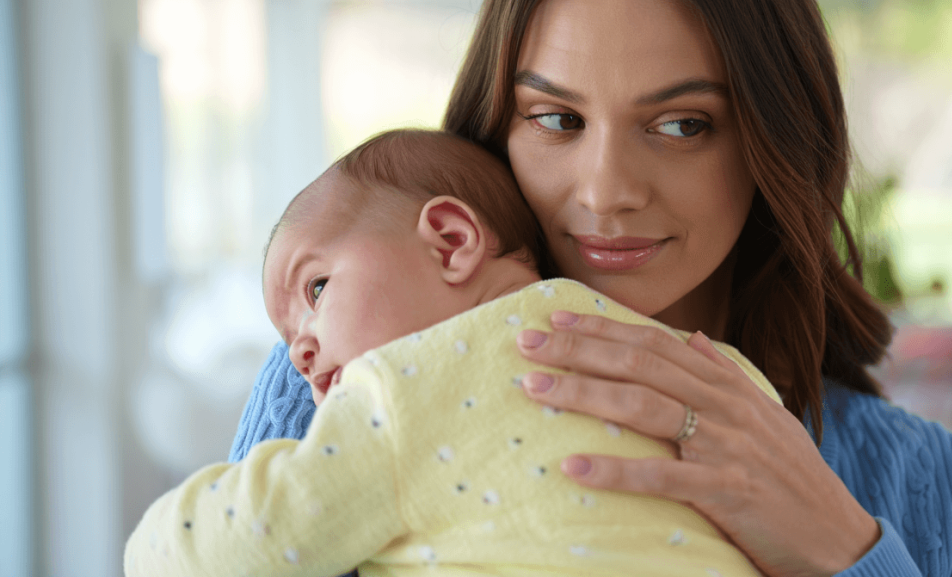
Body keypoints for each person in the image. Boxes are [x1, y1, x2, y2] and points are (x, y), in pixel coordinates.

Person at [232, 0, 952, 575]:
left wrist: (844, 550)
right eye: (557, 119)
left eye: (683, 124)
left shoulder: (949, 502)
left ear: (774, 140)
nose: (606, 188)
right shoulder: (334, 382)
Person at [125, 129, 776, 577]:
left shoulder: (399, 393)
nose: (298, 348)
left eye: (317, 287)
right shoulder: (707, 370)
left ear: (450, 239)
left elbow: (251, 541)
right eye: (287, 329)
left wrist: (150, 540)